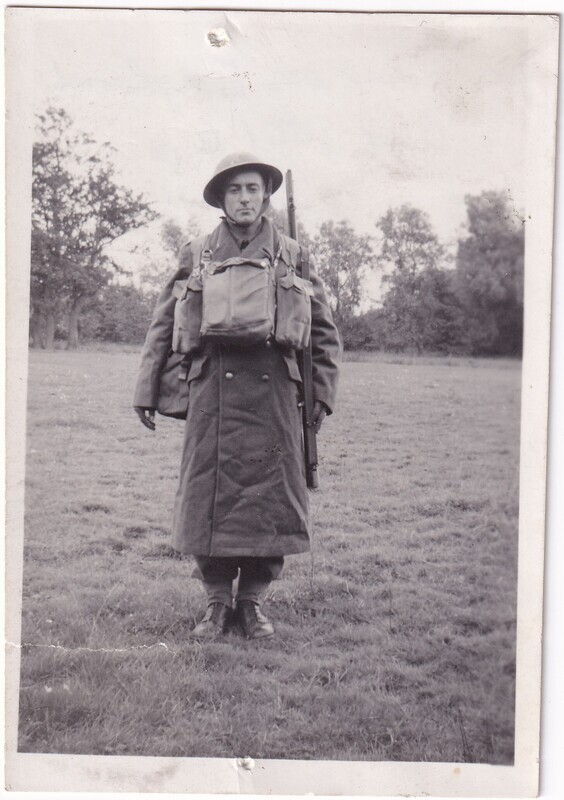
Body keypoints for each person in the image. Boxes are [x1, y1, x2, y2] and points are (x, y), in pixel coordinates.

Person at [133, 153, 340, 640]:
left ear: (265, 196)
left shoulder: (293, 253)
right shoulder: (197, 251)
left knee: (271, 503)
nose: (244, 198)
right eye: (235, 190)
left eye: (252, 189)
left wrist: (321, 396)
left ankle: (252, 603)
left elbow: (325, 333)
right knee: (210, 501)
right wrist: (146, 388)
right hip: (213, 397)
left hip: (275, 402)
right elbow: (164, 322)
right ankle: (215, 602)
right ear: (221, 200)